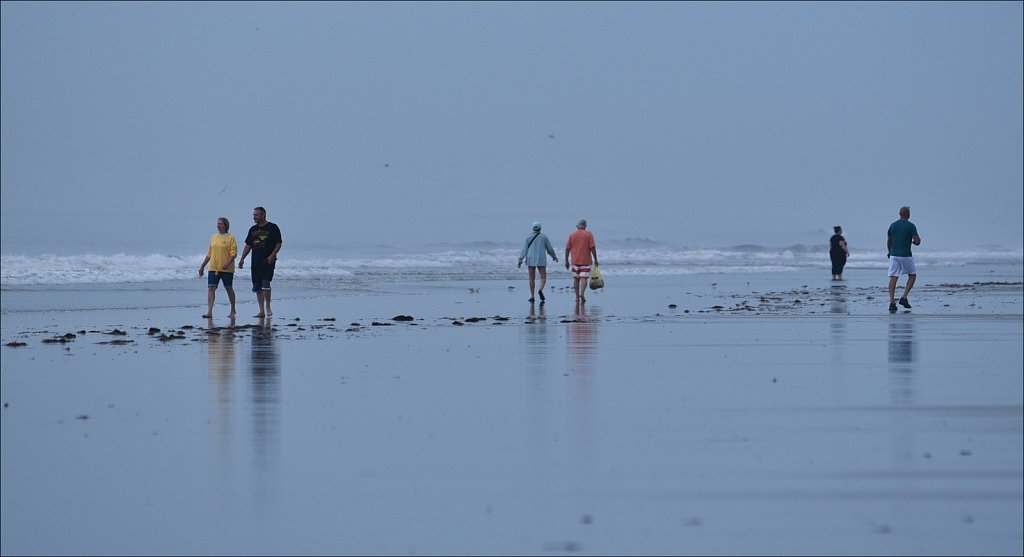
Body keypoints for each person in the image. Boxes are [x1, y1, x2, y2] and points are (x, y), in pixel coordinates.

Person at [238, 206, 283, 318]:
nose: (254, 217)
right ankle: (261, 311)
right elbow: (248, 245)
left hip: (268, 260)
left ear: (263, 215)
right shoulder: (253, 229)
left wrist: (273, 255)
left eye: (256, 215)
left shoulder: (273, 227)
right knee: (257, 286)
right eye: (254, 215)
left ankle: (268, 307)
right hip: (255, 262)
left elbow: (279, 243)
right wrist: (242, 259)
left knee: (266, 284)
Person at [199, 217, 238, 318]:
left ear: (225, 225)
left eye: (221, 224)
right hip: (213, 268)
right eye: (218, 223)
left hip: (226, 268)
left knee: (228, 288)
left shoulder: (231, 237)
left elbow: (233, 253)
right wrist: (202, 266)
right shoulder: (214, 237)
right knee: (211, 288)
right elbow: (209, 253)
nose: (218, 225)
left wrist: (227, 263)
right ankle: (209, 312)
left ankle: (233, 309)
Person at [886, 206, 921, 313]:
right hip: (906, 255)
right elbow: (918, 241)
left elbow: (889, 241)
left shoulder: (893, 225)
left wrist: (889, 252)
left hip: (894, 255)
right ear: (908, 214)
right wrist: (913, 242)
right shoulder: (911, 226)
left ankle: (892, 302)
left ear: (899, 214)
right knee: (912, 275)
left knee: (893, 277)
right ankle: (904, 297)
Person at [517, 221, 558, 303]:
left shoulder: (528, 238)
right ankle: (540, 289)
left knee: (531, 278)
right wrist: (554, 257)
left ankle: (532, 296)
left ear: (533, 228)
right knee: (543, 277)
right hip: (541, 259)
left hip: (530, 259)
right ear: (540, 228)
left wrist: (520, 260)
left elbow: (524, 250)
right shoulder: (544, 237)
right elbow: (549, 249)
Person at [564, 218, 598, 304]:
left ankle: (576, 297)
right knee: (584, 278)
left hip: (575, 260)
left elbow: (567, 249)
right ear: (585, 226)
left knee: (576, 278)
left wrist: (566, 261)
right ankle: (582, 294)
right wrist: (596, 259)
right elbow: (592, 248)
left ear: (577, 226)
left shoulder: (572, 235)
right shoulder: (589, 234)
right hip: (586, 260)